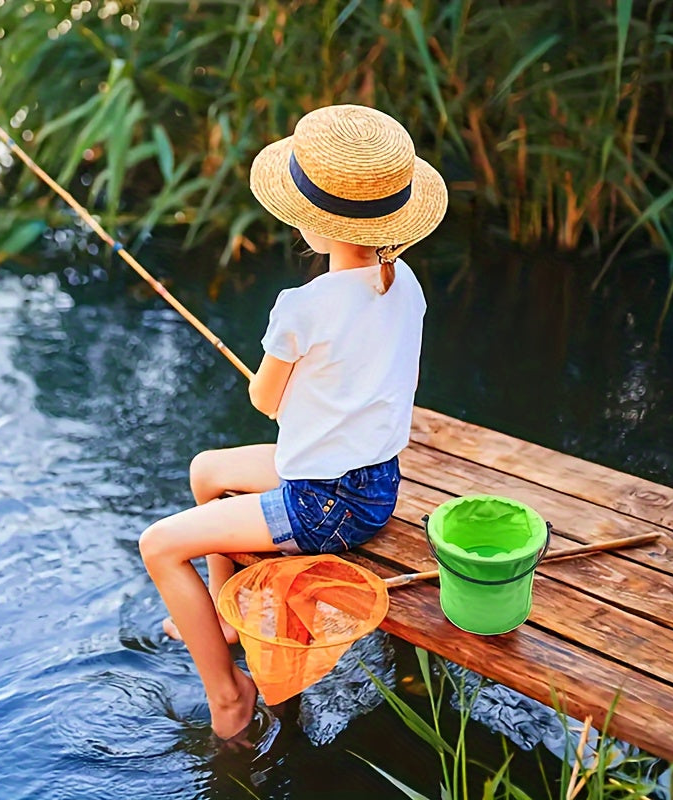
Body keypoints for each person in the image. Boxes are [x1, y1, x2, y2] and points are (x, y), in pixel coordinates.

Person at [139, 104, 447, 740]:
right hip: (377, 482)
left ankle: (227, 692)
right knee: (207, 472)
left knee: (159, 545)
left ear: (312, 223)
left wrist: (279, 381)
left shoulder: (301, 306)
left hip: (322, 503)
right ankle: (226, 619)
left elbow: (265, 400)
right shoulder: (405, 282)